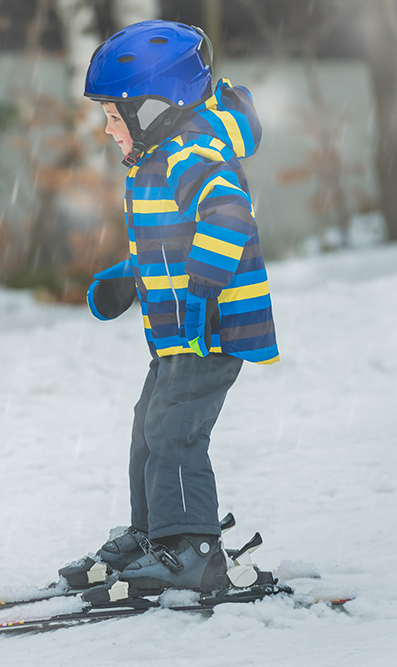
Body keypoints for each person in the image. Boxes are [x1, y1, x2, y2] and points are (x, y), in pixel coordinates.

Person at [59, 20, 279, 602]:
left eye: (115, 116)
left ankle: (192, 550)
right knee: (148, 426)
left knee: (175, 432)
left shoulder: (193, 157)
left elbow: (229, 217)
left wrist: (201, 293)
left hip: (212, 328)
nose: (109, 131)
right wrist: (127, 280)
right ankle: (154, 533)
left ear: (156, 111)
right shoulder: (155, 162)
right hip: (178, 333)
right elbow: (165, 242)